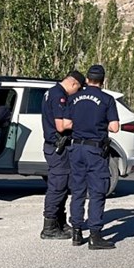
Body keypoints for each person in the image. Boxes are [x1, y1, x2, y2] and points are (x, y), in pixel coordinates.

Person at [67, 64, 119, 249]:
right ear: (103, 81)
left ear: (87, 79)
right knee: (97, 191)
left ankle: (76, 232)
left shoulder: (73, 98)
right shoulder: (107, 99)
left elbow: (66, 123)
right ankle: (95, 236)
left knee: (77, 191)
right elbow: (114, 127)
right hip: (95, 150)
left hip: (76, 148)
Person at [39, 70, 84, 240]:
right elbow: (61, 126)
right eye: (78, 89)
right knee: (57, 186)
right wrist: (83, 120)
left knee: (63, 186)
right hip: (57, 147)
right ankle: (49, 227)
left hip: (57, 146)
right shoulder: (59, 95)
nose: (77, 93)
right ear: (73, 83)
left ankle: (59, 222)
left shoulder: (51, 91)